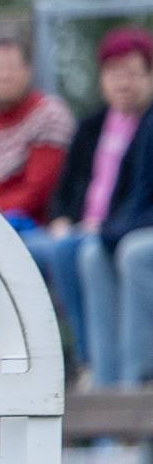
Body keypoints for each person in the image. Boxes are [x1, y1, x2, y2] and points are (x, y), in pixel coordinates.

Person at [0, 25, 85, 362]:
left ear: (28, 70)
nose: (2, 75)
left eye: (10, 66)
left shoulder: (50, 115)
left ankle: (64, 358)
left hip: (37, 228)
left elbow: (38, 189)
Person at [59, 28, 153, 386]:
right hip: (113, 225)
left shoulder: (143, 122)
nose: (124, 83)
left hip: (130, 232)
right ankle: (103, 381)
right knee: (92, 253)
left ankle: (134, 390)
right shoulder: (96, 125)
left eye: (132, 72)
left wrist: (109, 230)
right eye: (115, 73)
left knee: (130, 252)